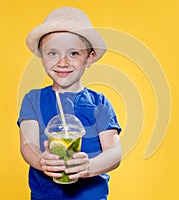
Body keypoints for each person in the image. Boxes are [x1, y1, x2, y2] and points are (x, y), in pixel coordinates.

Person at [17, 7, 122, 200]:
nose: (63, 62)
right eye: (53, 53)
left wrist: (89, 167)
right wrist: (42, 161)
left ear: (90, 57)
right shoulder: (33, 100)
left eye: (73, 53)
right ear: (42, 56)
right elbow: (28, 144)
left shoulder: (99, 103)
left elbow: (114, 152)